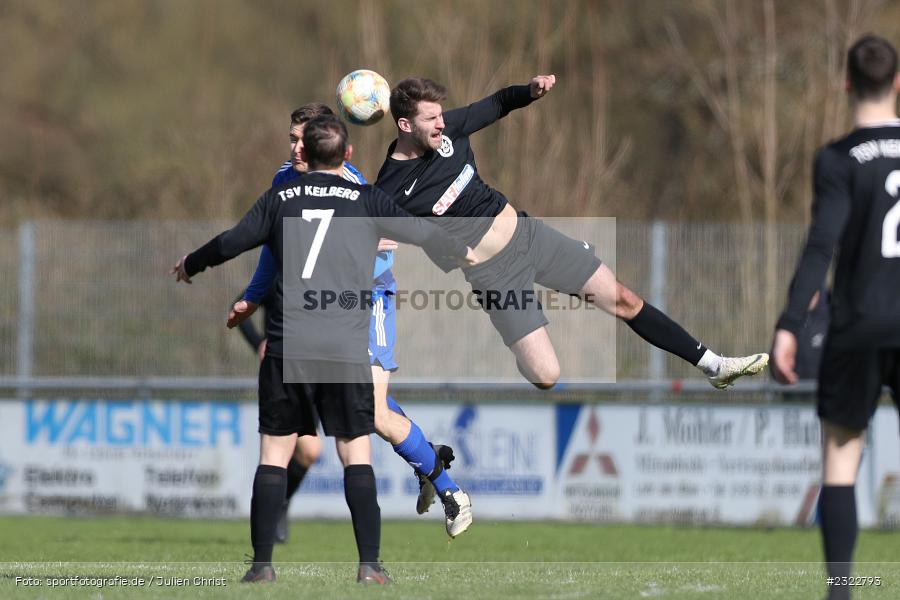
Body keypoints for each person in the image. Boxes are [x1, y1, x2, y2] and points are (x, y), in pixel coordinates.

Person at [173, 115, 475, 584]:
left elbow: (233, 242)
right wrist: (464, 253)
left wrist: (192, 263)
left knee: (274, 454)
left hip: (289, 342)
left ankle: (261, 567)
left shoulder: (280, 196)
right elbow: (425, 233)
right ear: (347, 156)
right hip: (344, 346)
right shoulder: (366, 198)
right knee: (356, 455)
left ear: (304, 157)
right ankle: (370, 567)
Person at [374, 75, 768, 389]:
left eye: (442, 116)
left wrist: (528, 91)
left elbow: (495, 104)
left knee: (624, 299)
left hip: (531, 238)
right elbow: (380, 230)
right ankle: (512, 324)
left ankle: (714, 365)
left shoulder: (449, 132)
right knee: (546, 376)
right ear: (405, 124)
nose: (442, 124)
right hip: (494, 276)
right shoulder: (390, 188)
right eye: (431, 119)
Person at [234, 104, 459, 545]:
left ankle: (440, 482)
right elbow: (272, 252)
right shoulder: (284, 181)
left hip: (366, 301)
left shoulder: (353, 185)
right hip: (314, 317)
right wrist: (253, 296)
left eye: (302, 139)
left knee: (364, 417)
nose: (295, 148)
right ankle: (429, 466)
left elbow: (386, 250)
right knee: (350, 418)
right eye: (291, 139)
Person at [771, 34, 900, 600]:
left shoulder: (838, 157)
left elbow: (821, 246)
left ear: (846, 82)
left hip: (859, 325)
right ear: (898, 83)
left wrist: (789, 324)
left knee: (842, 457)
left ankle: (842, 592)